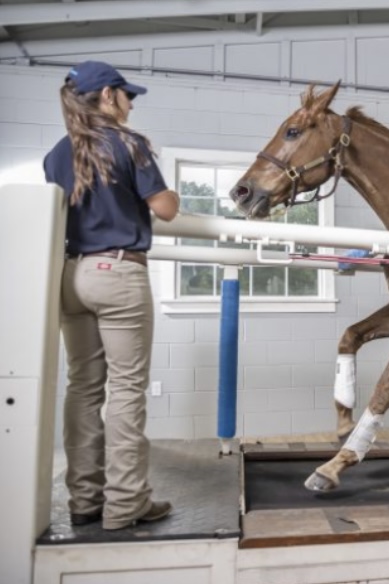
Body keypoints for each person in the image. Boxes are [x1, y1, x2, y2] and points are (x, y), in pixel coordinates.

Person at [43, 61, 180, 531]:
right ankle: (125, 505)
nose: (131, 102)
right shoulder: (128, 143)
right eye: (127, 94)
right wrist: (172, 195)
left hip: (70, 275)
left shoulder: (57, 154)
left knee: (82, 387)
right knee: (125, 390)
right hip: (117, 272)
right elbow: (164, 207)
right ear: (107, 96)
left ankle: (83, 501)